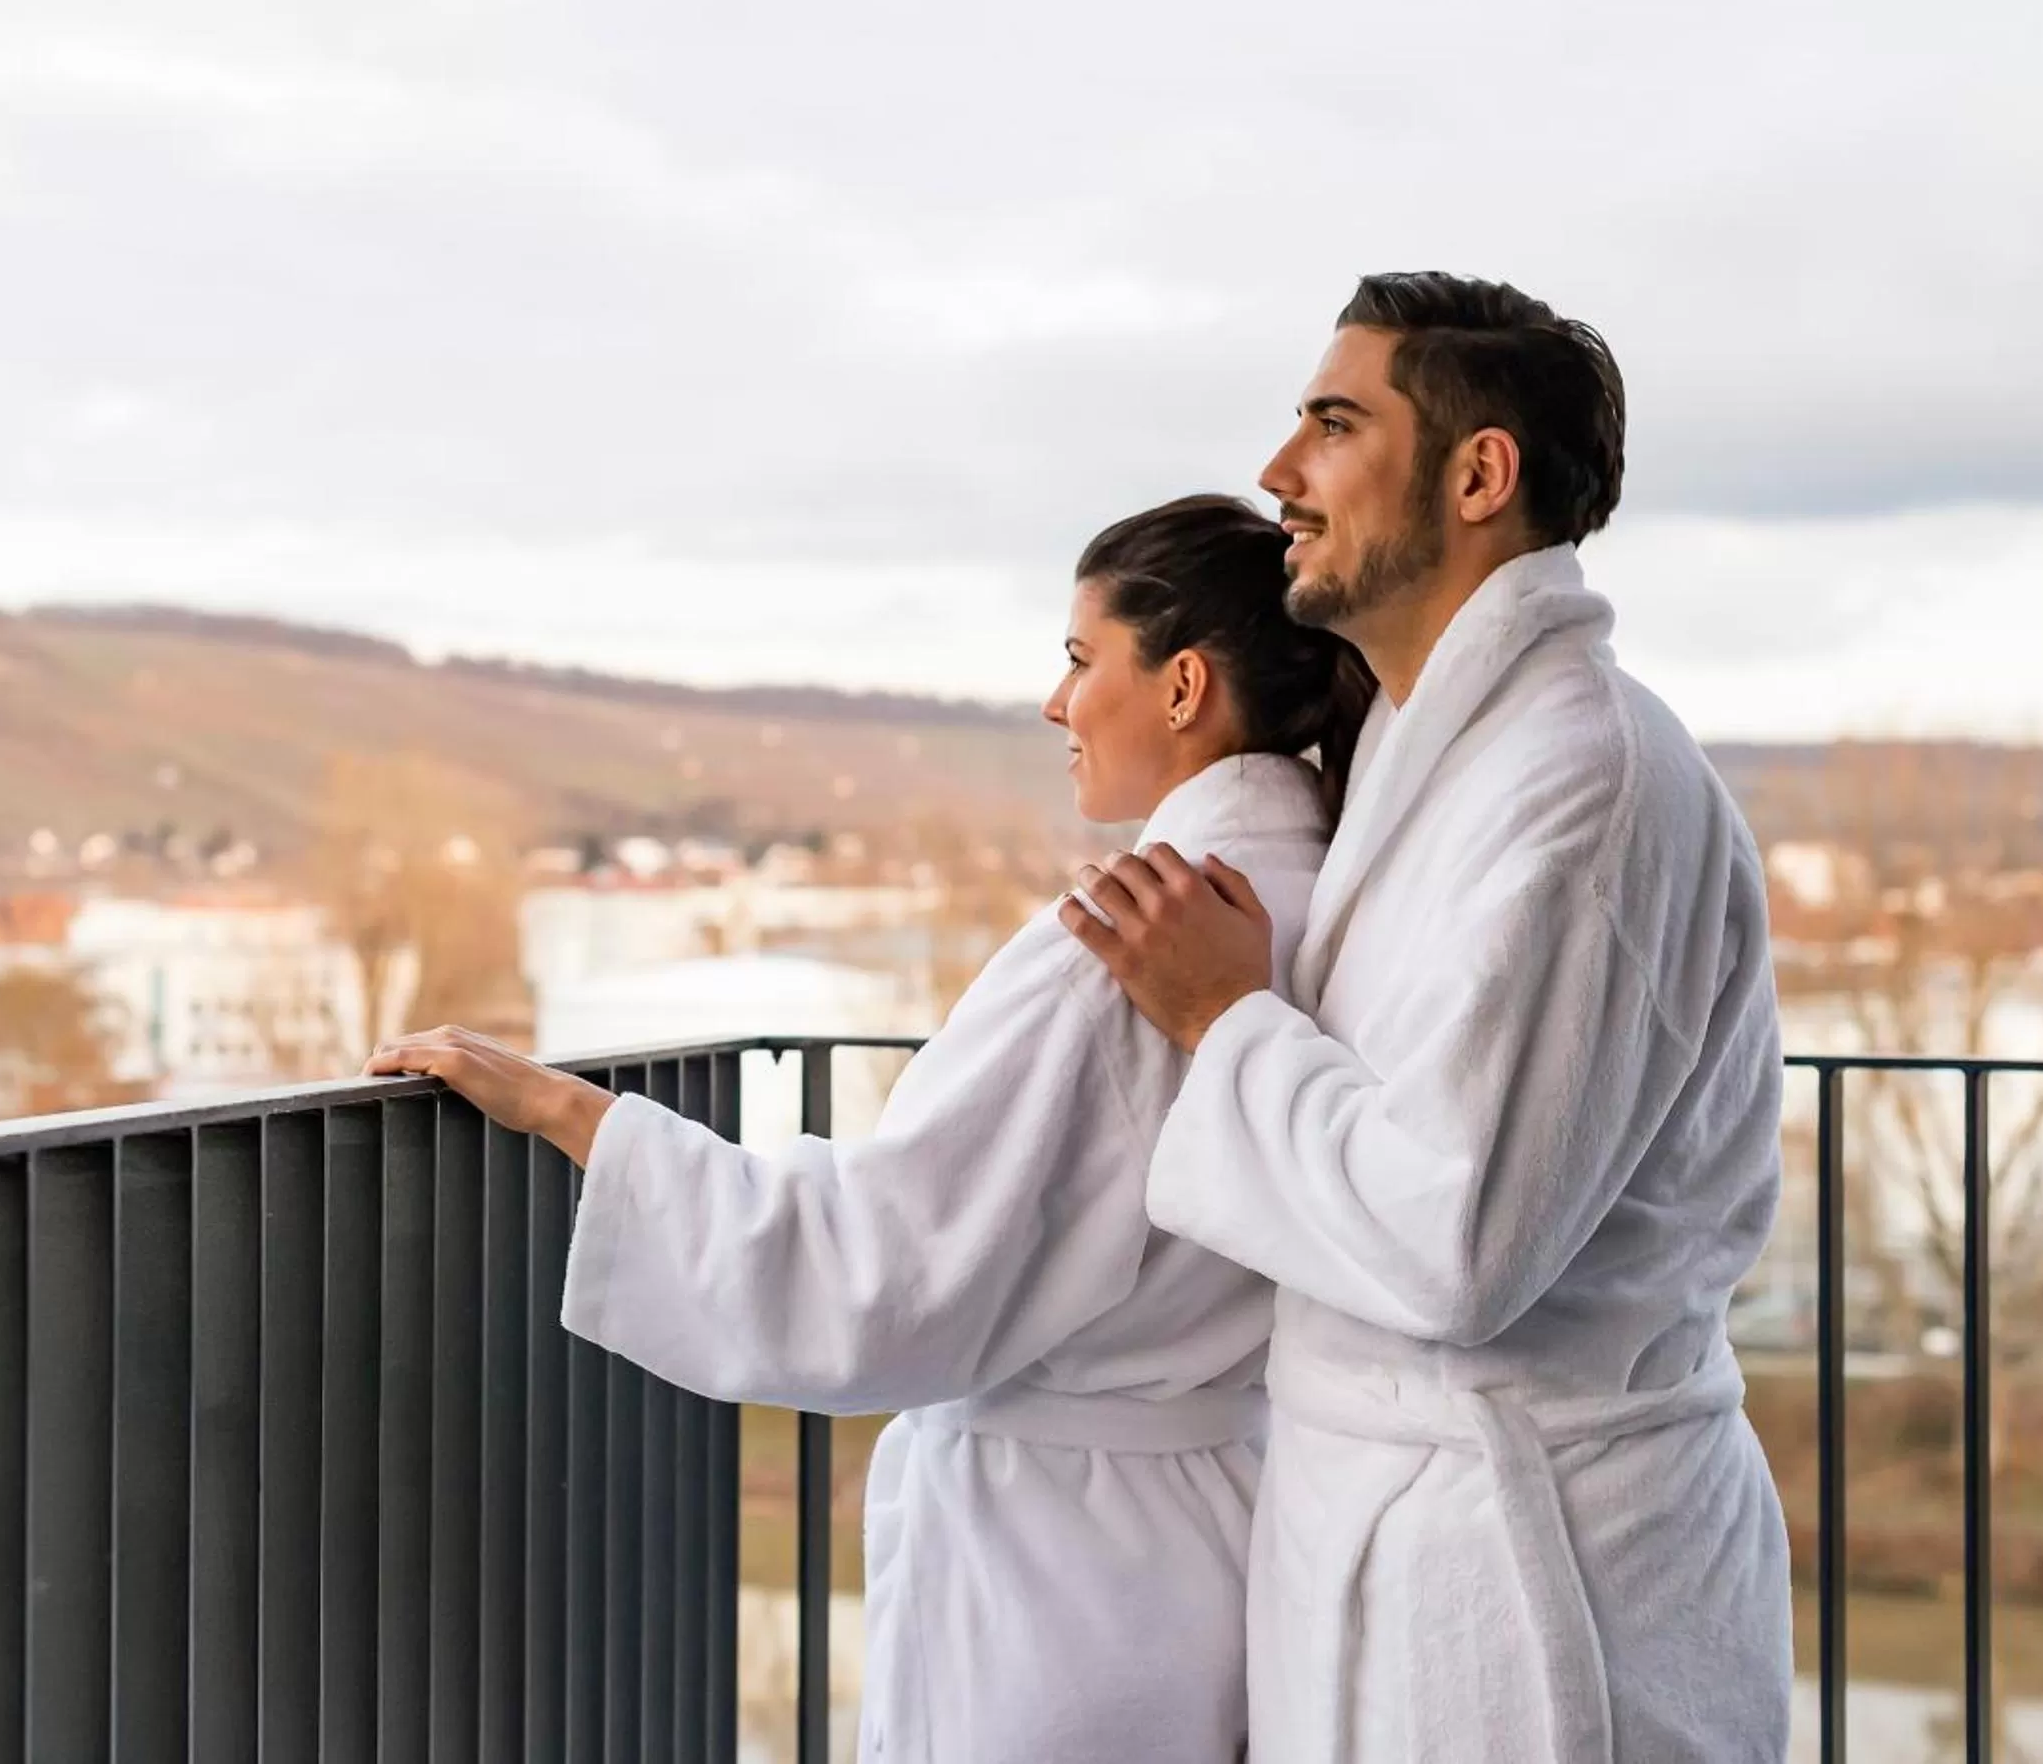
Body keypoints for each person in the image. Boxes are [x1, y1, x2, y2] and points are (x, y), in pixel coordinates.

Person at [369, 496, 1372, 1762]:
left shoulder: (1123, 943)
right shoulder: (1324, 901)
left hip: (1061, 1598)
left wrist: (576, 1113)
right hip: (1221, 1542)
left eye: (1080, 658)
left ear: (1182, 686)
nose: (1056, 703)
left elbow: (880, 1271)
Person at [1061, 275, 1792, 1763]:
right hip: (1389, 1530)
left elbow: (1454, 1244)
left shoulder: (1584, 781)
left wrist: (1224, 1016)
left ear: (1477, 474)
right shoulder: (1436, 750)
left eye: (1334, 425)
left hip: (1537, 1586)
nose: (1279, 472)